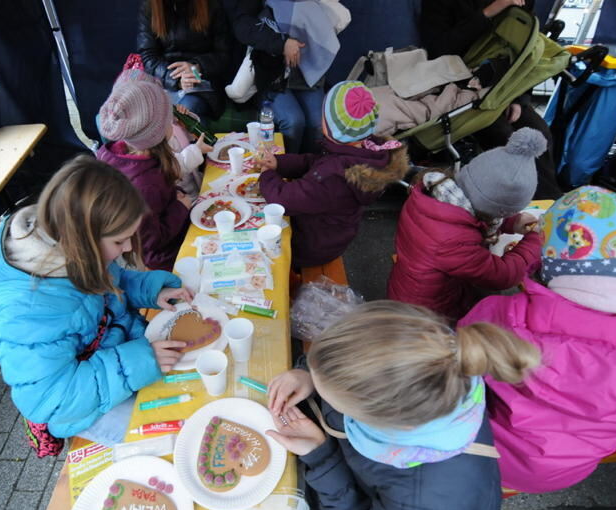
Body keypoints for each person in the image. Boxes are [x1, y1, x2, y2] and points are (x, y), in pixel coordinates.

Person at [266, 300, 541, 510]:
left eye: (331, 395)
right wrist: (307, 374)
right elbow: (351, 370)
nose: (321, 390)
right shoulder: (429, 360)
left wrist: (321, 456)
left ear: (388, 423)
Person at [0, 156, 193, 439]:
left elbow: (115, 281)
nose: (128, 248)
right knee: (172, 436)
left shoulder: (75, 247)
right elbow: (52, 400)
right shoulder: (22, 310)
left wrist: (152, 290)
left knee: (191, 391)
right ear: (82, 237)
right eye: (118, 241)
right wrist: (140, 361)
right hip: (85, 408)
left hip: (123, 359)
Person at [459, 186, 616, 493]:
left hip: (486, 453)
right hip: (564, 473)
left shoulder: (499, 314)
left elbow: (456, 363)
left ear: (548, 259)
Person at [387, 127, 545, 322]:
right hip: (428, 312)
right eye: (504, 213)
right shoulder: (454, 242)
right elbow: (502, 275)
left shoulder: (433, 194)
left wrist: (512, 223)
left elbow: (476, 215)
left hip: (409, 287)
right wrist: (535, 239)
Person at [254, 81, 408, 269]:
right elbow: (314, 163)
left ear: (328, 127)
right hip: (330, 234)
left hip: (311, 246)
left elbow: (283, 200)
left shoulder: (333, 176)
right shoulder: (363, 150)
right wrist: (280, 163)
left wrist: (267, 174)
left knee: (258, 240)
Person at [419, 0, 562, 199]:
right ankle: (522, 205)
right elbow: (439, 49)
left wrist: (518, 98)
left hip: (502, 83)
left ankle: (548, 204)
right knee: (504, 135)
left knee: (540, 133)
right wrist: (488, 12)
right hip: (455, 82)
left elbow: (523, 52)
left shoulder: (521, 3)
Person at [96, 70, 193, 271]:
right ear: (158, 131)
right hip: (167, 257)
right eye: (169, 119)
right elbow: (150, 241)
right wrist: (180, 208)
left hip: (170, 228)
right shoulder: (145, 185)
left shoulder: (116, 153)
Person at [222, 0, 325, 153]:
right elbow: (243, 26)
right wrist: (282, 43)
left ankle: (310, 170)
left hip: (306, 65)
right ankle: (285, 170)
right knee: (293, 121)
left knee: (318, 123)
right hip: (268, 68)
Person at [137, 0, 231, 125]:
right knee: (139, 113)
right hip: (164, 81)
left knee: (184, 113)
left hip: (201, 83)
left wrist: (197, 67)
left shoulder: (211, 4)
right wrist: (177, 80)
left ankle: (196, 142)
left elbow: (224, 55)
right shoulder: (151, 6)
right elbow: (148, 57)